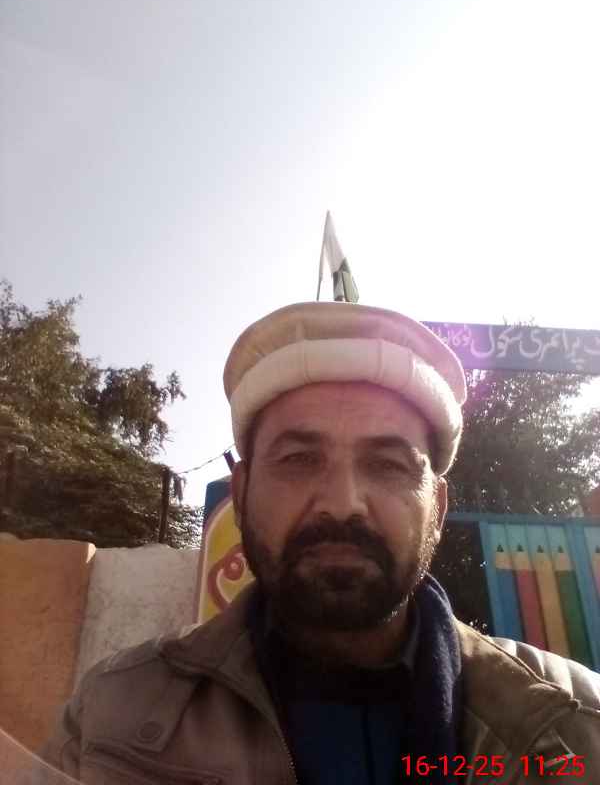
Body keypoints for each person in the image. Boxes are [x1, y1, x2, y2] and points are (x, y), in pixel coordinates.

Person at [42, 302, 600, 785]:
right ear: (242, 492)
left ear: (438, 508)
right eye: (299, 459)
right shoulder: (106, 720)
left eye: (388, 465)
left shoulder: (576, 725)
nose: (343, 503)